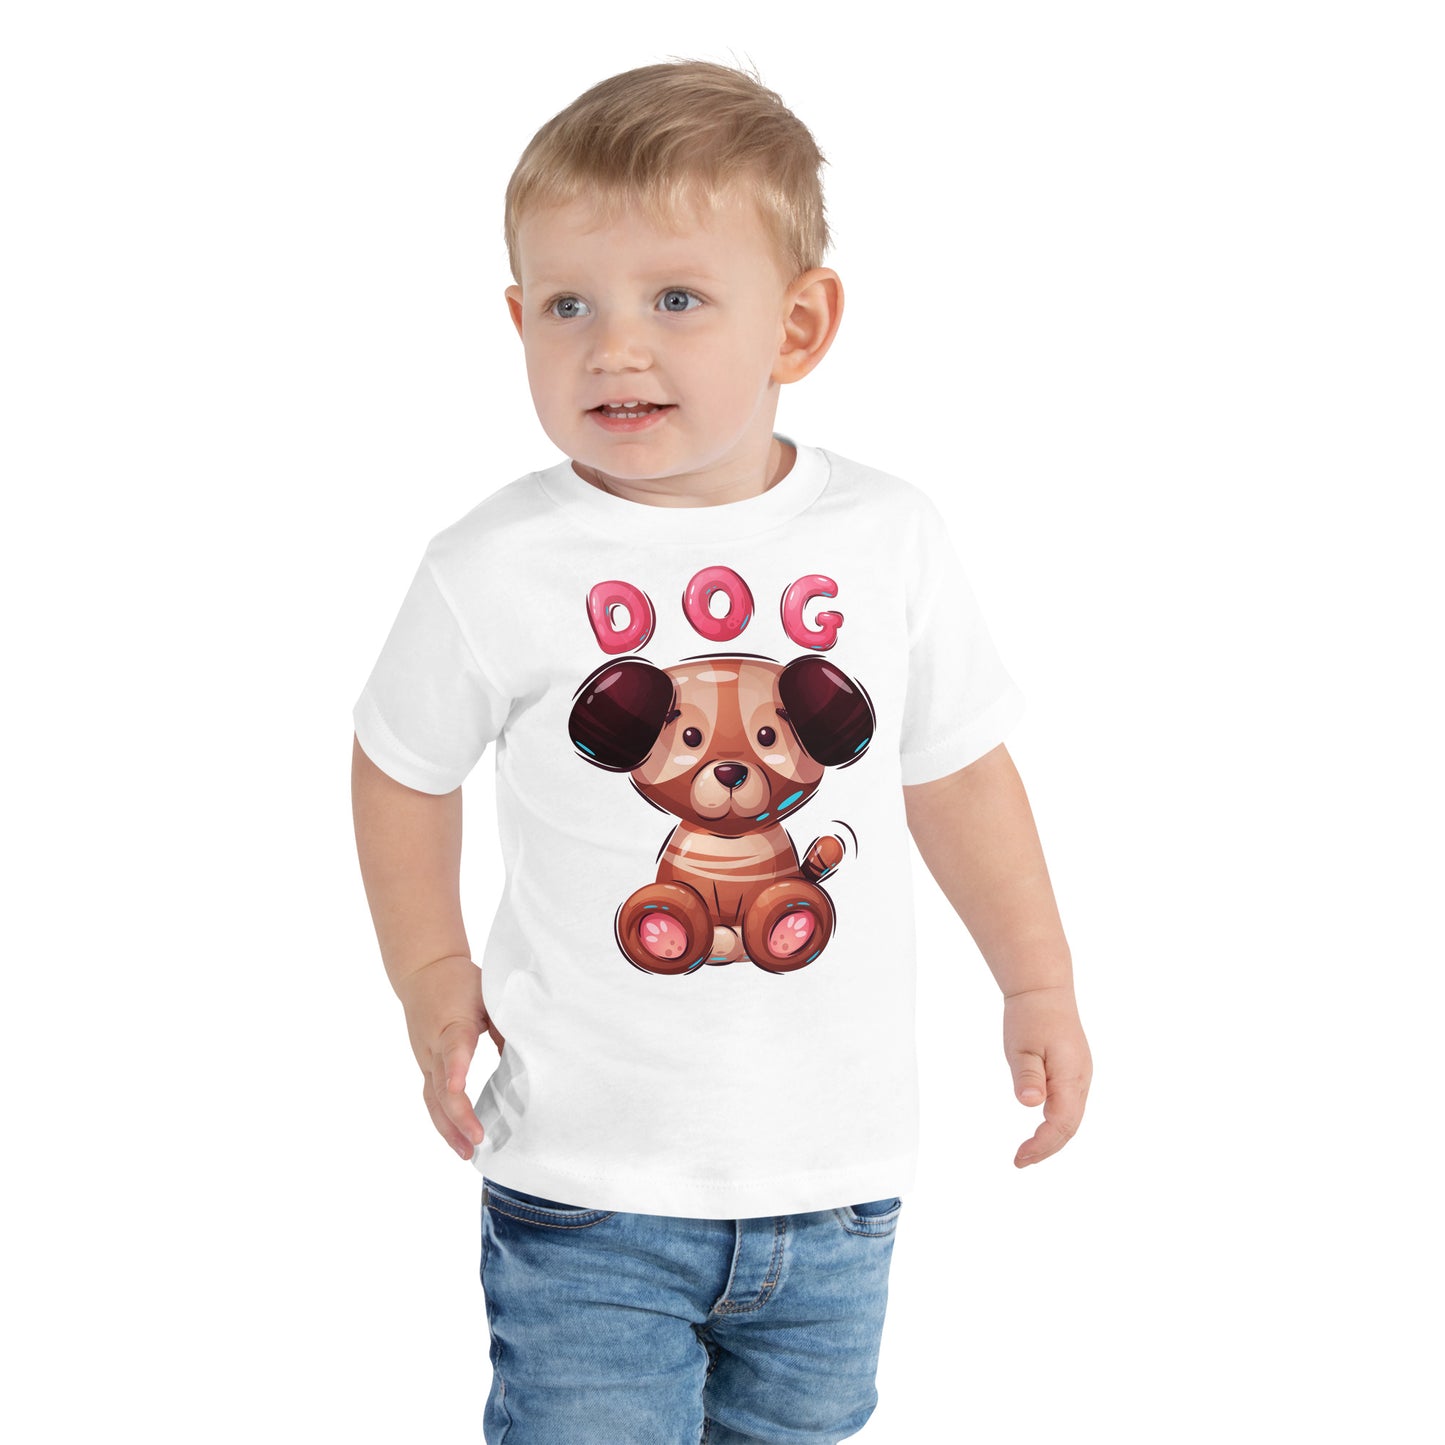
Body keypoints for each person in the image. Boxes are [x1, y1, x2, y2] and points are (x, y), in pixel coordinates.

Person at [351, 57, 1091, 1445]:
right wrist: (430, 972)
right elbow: (400, 765)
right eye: (568, 305)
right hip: (585, 1184)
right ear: (516, 319)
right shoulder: (492, 565)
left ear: (798, 325)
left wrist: (1036, 978)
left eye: (676, 300)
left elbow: (955, 770)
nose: (614, 347)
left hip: (836, 1180)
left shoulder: (888, 537)